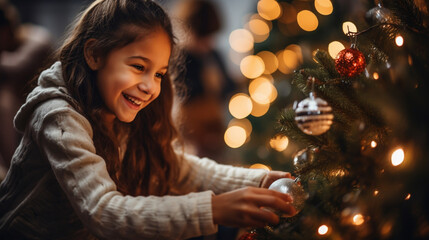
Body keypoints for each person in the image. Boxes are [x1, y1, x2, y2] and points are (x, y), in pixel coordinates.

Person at [0, 0, 296, 239]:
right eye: (139, 66)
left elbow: (176, 167)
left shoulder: (120, 111)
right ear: (94, 54)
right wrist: (213, 209)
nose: (150, 86)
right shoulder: (58, 117)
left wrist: (258, 179)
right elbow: (105, 212)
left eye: (158, 74)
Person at [173, 0, 236, 161]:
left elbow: (228, 87)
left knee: (219, 158)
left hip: (215, 119)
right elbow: (182, 93)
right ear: (187, 29)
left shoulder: (214, 56)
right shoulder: (180, 57)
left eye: (210, 37)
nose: (206, 43)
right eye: (201, 37)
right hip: (190, 125)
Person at [0, 0, 53, 180]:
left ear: (6, 30)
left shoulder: (36, 38)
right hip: (22, 115)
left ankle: (14, 175)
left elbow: (16, 66)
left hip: (51, 106)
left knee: (4, 103)